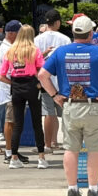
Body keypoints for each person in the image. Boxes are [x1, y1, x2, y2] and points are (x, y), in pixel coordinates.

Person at [38, 15, 98, 196]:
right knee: (94, 149)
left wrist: (54, 95)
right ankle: (93, 189)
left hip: (70, 105)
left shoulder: (60, 52)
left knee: (70, 148)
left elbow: (42, 74)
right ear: (91, 33)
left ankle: (72, 189)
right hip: (94, 106)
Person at [1, 25, 47, 169]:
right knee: (36, 122)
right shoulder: (34, 51)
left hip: (16, 86)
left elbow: (2, 76)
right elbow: (42, 69)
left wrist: (13, 84)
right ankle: (41, 157)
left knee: (17, 123)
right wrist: (39, 83)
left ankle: (14, 157)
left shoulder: (10, 51)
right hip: (32, 85)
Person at [35, 9, 70, 152]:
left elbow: (34, 60)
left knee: (49, 113)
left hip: (44, 81)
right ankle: (66, 143)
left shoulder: (37, 39)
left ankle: (48, 144)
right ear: (57, 22)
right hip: (62, 81)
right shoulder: (65, 39)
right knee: (66, 113)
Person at [0, 19, 21, 164]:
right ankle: (9, 151)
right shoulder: (7, 49)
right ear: (11, 33)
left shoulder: (8, 46)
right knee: (11, 121)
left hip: (11, 88)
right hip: (10, 88)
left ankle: (13, 150)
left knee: (13, 120)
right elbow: (6, 73)